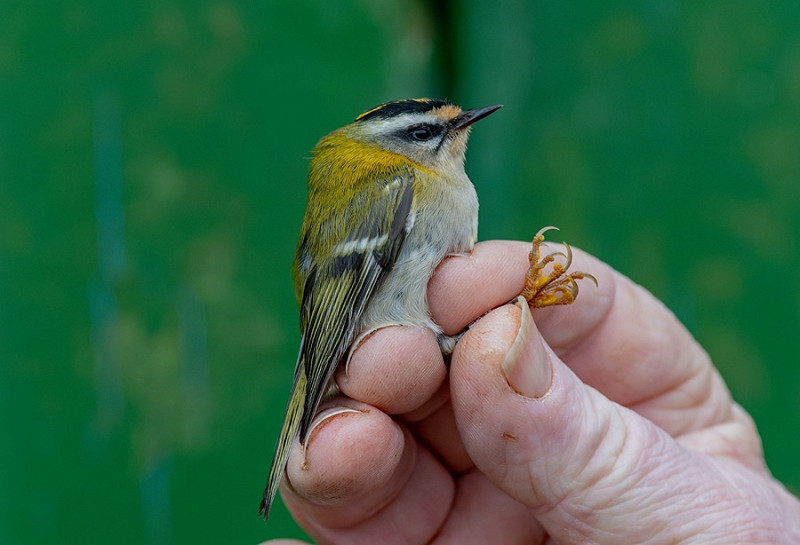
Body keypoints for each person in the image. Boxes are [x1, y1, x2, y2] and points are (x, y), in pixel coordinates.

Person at [262, 240, 800, 544]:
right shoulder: (398, 186)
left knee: (444, 347)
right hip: (389, 331)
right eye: (429, 132)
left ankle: (528, 295)